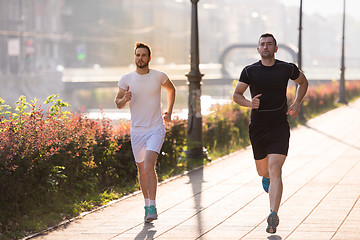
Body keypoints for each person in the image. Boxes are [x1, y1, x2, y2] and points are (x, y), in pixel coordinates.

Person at [232, 33, 308, 234]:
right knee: (263, 171)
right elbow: (236, 95)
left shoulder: (286, 68)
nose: (265, 47)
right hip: (257, 126)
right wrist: (249, 103)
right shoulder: (250, 71)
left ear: (275, 49)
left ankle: (273, 214)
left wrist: (297, 102)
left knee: (276, 170)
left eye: (269, 44)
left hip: (279, 126)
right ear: (258, 49)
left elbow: (303, 82)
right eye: (262, 44)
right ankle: (264, 176)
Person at [115, 42, 176, 223]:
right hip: (137, 132)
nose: (140, 58)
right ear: (134, 57)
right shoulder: (126, 79)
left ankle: (152, 205)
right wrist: (124, 99)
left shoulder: (159, 76)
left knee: (149, 165)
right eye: (137, 55)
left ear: (149, 58)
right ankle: (146, 203)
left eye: (143, 55)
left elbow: (171, 89)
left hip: (155, 128)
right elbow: (117, 103)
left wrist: (169, 112)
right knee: (141, 169)